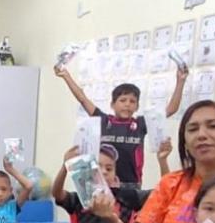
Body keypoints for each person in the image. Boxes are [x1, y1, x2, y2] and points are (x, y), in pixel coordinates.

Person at [54, 66, 183, 188]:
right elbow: (82, 99)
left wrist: (180, 81)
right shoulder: (104, 120)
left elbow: (171, 109)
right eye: (123, 100)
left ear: (137, 107)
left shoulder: (140, 124)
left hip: (132, 185)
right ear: (112, 104)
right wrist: (66, 76)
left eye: (132, 101)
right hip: (104, 183)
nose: (127, 104)